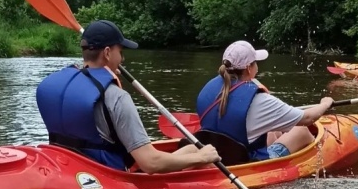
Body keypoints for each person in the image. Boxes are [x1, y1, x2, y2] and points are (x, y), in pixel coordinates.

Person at [35, 20, 220, 174]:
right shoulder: (116, 97)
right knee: (202, 157)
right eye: (120, 52)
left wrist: (198, 153)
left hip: (67, 168)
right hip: (107, 176)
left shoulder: (54, 85)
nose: (122, 60)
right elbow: (150, 163)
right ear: (107, 53)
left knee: (195, 147)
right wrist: (202, 158)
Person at [195, 40, 334, 162]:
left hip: (218, 155)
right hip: (248, 162)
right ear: (249, 68)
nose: (257, 66)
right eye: (255, 63)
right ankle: (314, 162)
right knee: (301, 131)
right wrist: (325, 104)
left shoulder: (207, 88)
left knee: (273, 131)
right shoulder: (258, 100)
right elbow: (308, 118)